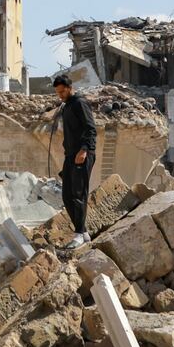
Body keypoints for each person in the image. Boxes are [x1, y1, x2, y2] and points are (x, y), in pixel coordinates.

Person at [52, 73, 97, 247]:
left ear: (70, 88)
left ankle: (79, 234)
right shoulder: (67, 106)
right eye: (58, 93)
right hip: (70, 156)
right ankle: (83, 232)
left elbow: (91, 128)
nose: (60, 95)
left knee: (78, 194)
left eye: (63, 91)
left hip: (82, 154)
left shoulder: (80, 103)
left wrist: (84, 150)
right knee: (67, 195)